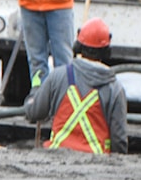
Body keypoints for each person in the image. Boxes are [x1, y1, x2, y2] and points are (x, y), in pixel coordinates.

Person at [25, 17, 128, 153]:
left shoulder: (58, 76)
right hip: (97, 163)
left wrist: (33, 96)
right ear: (107, 50)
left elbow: (34, 113)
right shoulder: (115, 88)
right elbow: (119, 140)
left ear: (78, 46)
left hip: (56, 157)